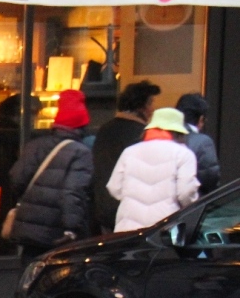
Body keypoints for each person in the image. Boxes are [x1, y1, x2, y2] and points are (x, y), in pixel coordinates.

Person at [7, 90, 95, 262]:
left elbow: (16, 178)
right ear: (82, 124)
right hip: (57, 232)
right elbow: (73, 192)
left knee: (29, 277)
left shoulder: (35, 145)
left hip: (29, 228)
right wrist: (72, 229)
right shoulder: (81, 152)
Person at [108, 107, 199, 233]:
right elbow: (186, 192)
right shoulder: (184, 154)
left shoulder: (129, 152)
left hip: (128, 229)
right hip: (164, 230)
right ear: (178, 132)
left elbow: (114, 187)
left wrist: (133, 197)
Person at [92, 80, 160, 232]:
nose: (153, 109)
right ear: (141, 107)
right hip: (129, 213)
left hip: (102, 209)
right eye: (150, 104)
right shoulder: (140, 134)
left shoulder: (104, 129)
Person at [176, 93, 221, 196]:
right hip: (192, 206)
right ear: (201, 119)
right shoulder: (203, 142)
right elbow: (210, 178)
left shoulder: (163, 138)